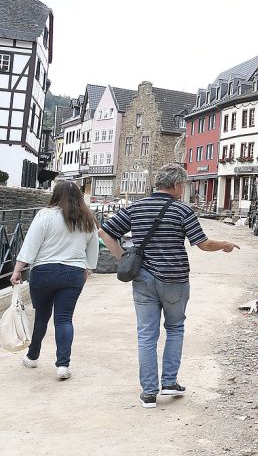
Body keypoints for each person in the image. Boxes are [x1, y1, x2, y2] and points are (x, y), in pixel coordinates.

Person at [99, 163, 239, 409]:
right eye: (182, 185)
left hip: (143, 278)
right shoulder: (182, 210)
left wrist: (123, 257)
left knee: (146, 335)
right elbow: (203, 244)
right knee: (174, 329)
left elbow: (105, 231)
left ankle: (149, 392)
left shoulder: (136, 207)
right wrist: (225, 243)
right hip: (175, 279)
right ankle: (170, 382)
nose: (182, 190)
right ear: (175, 185)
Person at [11, 181, 100, 380]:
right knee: (64, 319)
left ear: (55, 195)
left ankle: (33, 356)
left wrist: (17, 270)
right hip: (74, 272)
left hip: (44, 271)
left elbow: (31, 245)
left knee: (42, 316)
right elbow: (93, 249)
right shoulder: (87, 219)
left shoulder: (45, 215)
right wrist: (88, 269)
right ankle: (63, 365)